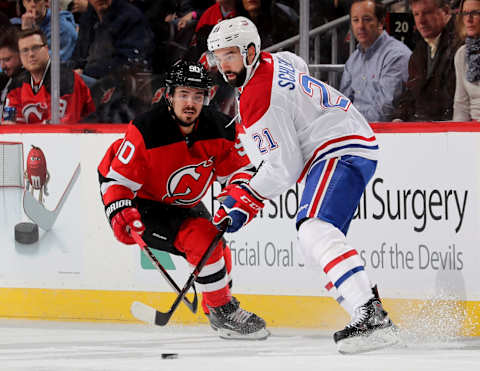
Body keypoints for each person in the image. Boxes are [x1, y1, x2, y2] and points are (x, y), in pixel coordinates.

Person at [207, 16, 396, 353]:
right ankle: (367, 309)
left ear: (250, 51)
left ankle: (372, 317)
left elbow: (285, 168)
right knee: (310, 246)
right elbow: (297, 65)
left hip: (340, 147)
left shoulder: (257, 99)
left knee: (315, 229)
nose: (224, 65)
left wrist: (241, 200)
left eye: (231, 55)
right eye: (218, 57)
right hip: (347, 139)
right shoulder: (273, 60)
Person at [97, 60, 269, 340]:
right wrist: (119, 210)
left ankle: (217, 307)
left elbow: (239, 173)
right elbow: (117, 182)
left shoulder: (221, 127)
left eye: (198, 96)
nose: (191, 102)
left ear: (207, 97)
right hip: (143, 202)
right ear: (169, 95)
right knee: (203, 238)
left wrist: (236, 197)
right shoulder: (147, 129)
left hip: (181, 202)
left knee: (218, 250)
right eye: (184, 94)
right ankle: (222, 311)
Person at [3, 29, 95, 124]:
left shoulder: (67, 80)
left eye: (35, 48)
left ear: (47, 49)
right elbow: (11, 125)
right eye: (25, 50)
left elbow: (64, 127)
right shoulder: (16, 85)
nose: (31, 54)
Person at [340, 0, 411, 122]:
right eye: (355, 20)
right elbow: (342, 103)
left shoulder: (396, 55)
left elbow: (385, 110)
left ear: (381, 22)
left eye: (367, 19)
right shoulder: (353, 60)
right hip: (355, 130)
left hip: (382, 133)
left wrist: (353, 127)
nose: (360, 26)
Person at [392, 0, 461, 121]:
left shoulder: (459, 45)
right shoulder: (419, 50)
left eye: (427, 13)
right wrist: (399, 117)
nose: (421, 21)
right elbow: (412, 92)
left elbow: (449, 99)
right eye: (416, 14)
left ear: (445, 11)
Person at [67, 0, 153, 81]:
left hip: (118, 85)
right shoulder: (88, 18)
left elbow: (128, 63)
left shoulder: (131, 18)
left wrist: (85, 72)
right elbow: (78, 55)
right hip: (90, 79)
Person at [453, 0, 480, 121]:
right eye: (465, 13)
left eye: (475, 13)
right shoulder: (462, 54)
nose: (468, 19)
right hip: (471, 130)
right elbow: (461, 105)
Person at [0, 28, 22, 121]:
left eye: (7, 59)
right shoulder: (10, 78)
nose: (2, 66)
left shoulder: (26, 82)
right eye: (0, 60)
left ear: (21, 55)